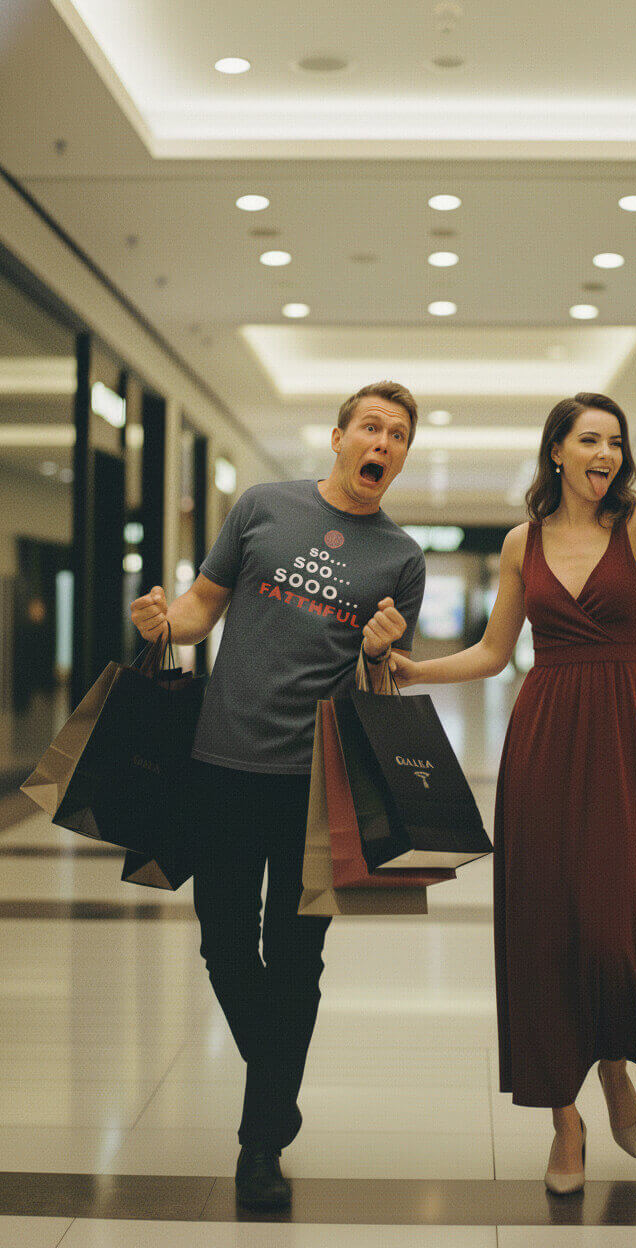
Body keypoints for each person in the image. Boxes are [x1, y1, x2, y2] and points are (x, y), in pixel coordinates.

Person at [391, 393, 636, 1194]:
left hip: (618, 740)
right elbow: (497, 652)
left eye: (615, 442)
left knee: (611, 927)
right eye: (590, 441)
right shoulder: (519, 543)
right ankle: (562, 1118)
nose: (605, 454)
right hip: (541, 739)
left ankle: (613, 1061)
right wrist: (415, 671)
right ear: (558, 453)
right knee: (545, 932)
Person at [130, 382, 425, 1209]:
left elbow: (385, 686)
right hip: (221, 763)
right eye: (372, 426)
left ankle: (260, 1145)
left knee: (297, 962)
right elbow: (200, 607)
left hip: (319, 784)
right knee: (223, 944)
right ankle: (279, 1082)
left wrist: (377, 652)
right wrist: (164, 623)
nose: (384, 442)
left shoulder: (401, 557)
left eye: (399, 434)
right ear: (338, 437)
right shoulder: (262, 507)